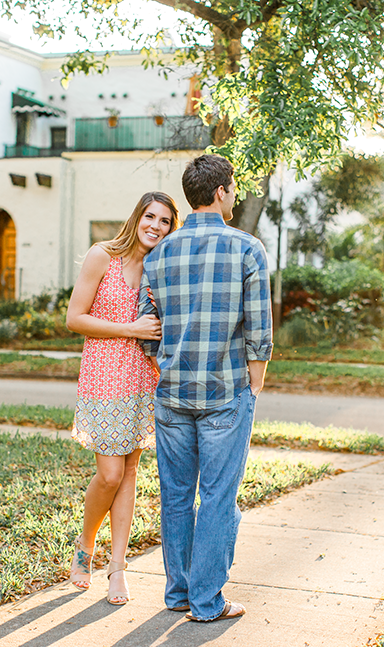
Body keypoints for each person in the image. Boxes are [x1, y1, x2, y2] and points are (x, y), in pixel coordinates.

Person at [138, 154, 273, 622]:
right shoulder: (246, 248)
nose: (234, 194)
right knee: (217, 497)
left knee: (176, 497)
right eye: (233, 188)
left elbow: (146, 329)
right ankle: (207, 602)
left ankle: (178, 594)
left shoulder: (158, 254)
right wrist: (253, 386)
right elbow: (259, 329)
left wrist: (167, 364)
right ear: (220, 192)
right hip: (225, 393)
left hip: (171, 395)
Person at [66, 191, 179, 605]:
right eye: (150, 216)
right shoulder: (103, 256)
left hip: (142, 378)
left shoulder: (160, 267)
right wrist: (130, 328)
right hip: (103, 376)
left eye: (165, 221)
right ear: (137, 217)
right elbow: (74, 317)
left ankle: (117, 568)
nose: (156, 226)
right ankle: (85, 542)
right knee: (110, 475)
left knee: (130, 473)